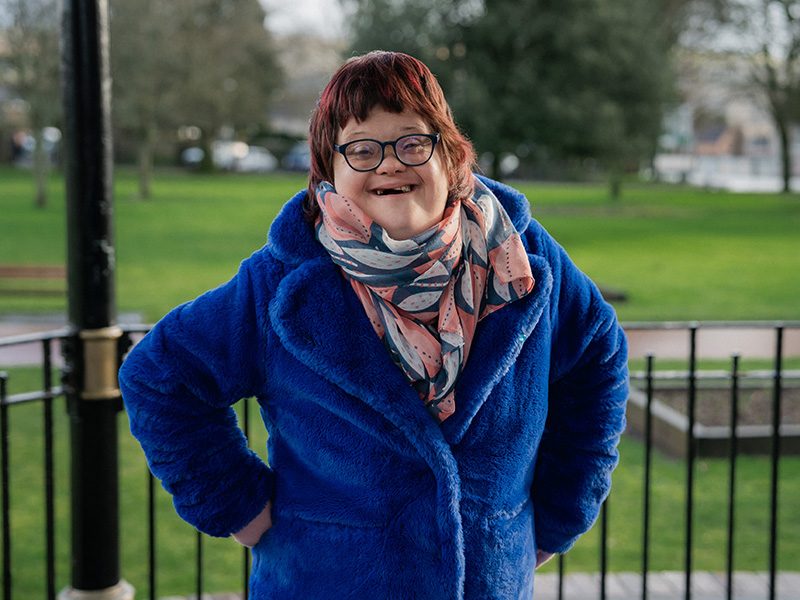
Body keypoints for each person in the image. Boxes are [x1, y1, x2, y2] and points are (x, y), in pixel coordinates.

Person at [119, 51, 628, 600]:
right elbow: (160, 375)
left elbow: (598, 360)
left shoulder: (524, 258)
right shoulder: (282, 282)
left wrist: (556, 517)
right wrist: (238, 507)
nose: (389, 164)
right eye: (361, 149)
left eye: (413, 142)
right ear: (329, 172)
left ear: (451, 155)